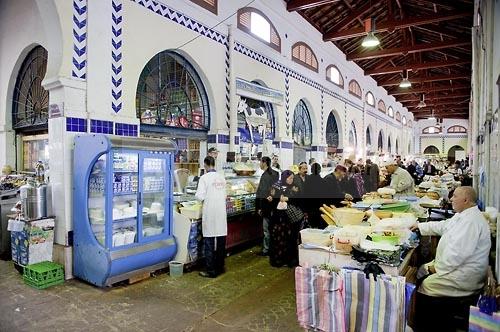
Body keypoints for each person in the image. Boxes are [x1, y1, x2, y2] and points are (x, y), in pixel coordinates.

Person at [410, 187, 491, 331]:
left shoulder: (470, 222)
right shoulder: (464, 215)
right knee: (420, 272)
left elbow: (456, 255)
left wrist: (434, 268)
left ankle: (432, 325)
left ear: (465, 200)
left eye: (454, 196)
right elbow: (444, 226)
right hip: (455, 266)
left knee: (426, 286)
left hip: (463, 276)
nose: (451, 199)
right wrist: (419, 226)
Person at [195, 156, 227, 278]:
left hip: (210, 212)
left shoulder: (204, 178)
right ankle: (220, 267)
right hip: (220, 212)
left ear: (205, 165)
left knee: (208, 242)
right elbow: (224, 194)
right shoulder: (221, 177)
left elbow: (200, 196)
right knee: (220, 241)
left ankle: (210, 270)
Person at [269, 170, 300, 267]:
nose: (291, 180)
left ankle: (289, 260)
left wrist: (288, 198)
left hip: (290, 218)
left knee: (290, 239)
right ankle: (279, 260)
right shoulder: (276, 186)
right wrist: (273, 198)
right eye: (289, 178)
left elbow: (299, 197)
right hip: (278, 219)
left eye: (292, 178)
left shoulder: (294, 187)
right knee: (279, 239)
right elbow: (271, 199)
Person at [255, 156, 279, 256]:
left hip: (266, 206)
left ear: (264, 163)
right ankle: (273, 248)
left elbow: (262, 192)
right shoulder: (276, 173)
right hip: (274, 206)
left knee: (266, 229)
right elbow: (276, 188)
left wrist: (259, 207)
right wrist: (273, 195)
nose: (260, 164)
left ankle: (266, 249)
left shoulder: (265, 175)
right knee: (272, 228)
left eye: (260, 162)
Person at [303, 163, 327, 228]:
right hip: (319, 206)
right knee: (319, 225)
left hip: (310, 206)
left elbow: (305, 194)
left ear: (311, 170)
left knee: (311, 225)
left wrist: (305, 208)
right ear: (320, 170)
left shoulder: (307, 180)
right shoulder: (323, 181)